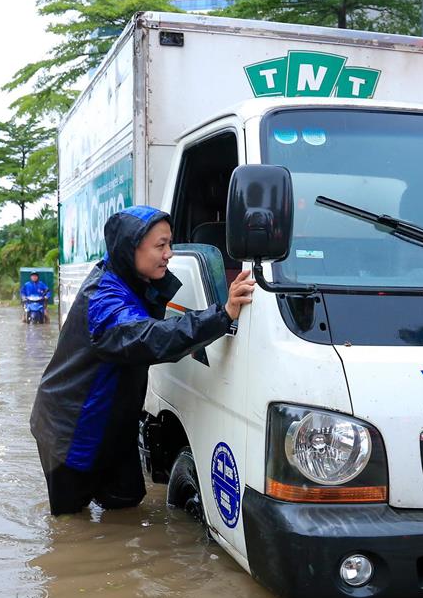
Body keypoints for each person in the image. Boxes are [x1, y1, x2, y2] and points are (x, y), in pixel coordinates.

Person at [29, 206, 255, 515]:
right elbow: (150, 337)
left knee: (126, 499)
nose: (169, 254)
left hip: (114, 421)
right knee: (71, 520)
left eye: (170, 244)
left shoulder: (132, 282)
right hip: (71, 430)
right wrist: (223, 314)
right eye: (160, 245)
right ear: (130, 248)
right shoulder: (104, 300)